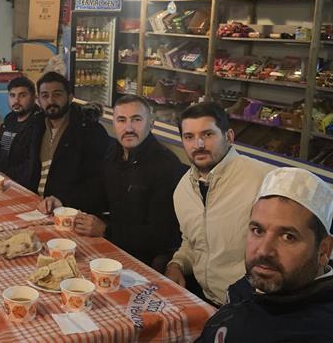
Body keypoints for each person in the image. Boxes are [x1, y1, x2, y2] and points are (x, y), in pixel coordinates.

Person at [196, 167, 333, 342]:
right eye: (258, 230)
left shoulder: (322, 334)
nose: (264, 250)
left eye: (288, 237)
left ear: (323, 250)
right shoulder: (275, 280)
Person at [38, 95, 185, 269]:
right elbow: (97, 193)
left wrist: (106, 230)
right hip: (112, 245)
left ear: (151, 123)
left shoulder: (165, 166)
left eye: (136, 119)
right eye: (121, 120)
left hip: (142, 259)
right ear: (114, 124)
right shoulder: (113, 153)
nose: (128, 128)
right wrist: (62, 201)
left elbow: (163, 236)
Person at [165, 102, 273, 306]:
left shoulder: (263, 179)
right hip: (206, 299)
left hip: (253, 306)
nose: (198, 144)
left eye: (207, 134)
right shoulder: (183, 189)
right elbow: (193, 242)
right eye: (189, 137)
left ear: (229, 136)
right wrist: (177, 264)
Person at [29, 72, 110, 211]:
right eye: (45, 96)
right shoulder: (36, 126)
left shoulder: (89, 130)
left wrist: (63, 200)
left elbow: (98, 181)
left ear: (70, 97)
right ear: (38, 101)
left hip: (68, 209)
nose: (51, 100)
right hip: (36, 204)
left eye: (57, 94)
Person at [0, 76, 41, 191]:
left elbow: (30, 166)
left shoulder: (38, 123)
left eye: (22, 95)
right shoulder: (10, 118)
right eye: (12, 95)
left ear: (34, 97)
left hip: (18, 186)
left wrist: (6, 180)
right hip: (0, 178)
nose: (16, 101)